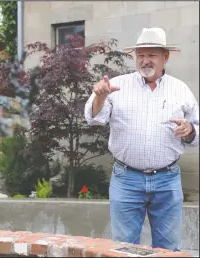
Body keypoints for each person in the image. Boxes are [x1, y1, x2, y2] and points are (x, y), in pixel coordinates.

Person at [84, 27, 199, 251]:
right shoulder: (116, 86)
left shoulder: (181, 90)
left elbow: (196, 130)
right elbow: (95, 118)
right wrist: (99, 96)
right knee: (124, 248)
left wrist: (190, 130)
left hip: (167, 180)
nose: (145, 60)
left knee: (167, 248)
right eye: (141, 55)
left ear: (165, 57)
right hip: (126, 179)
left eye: (152, 55)